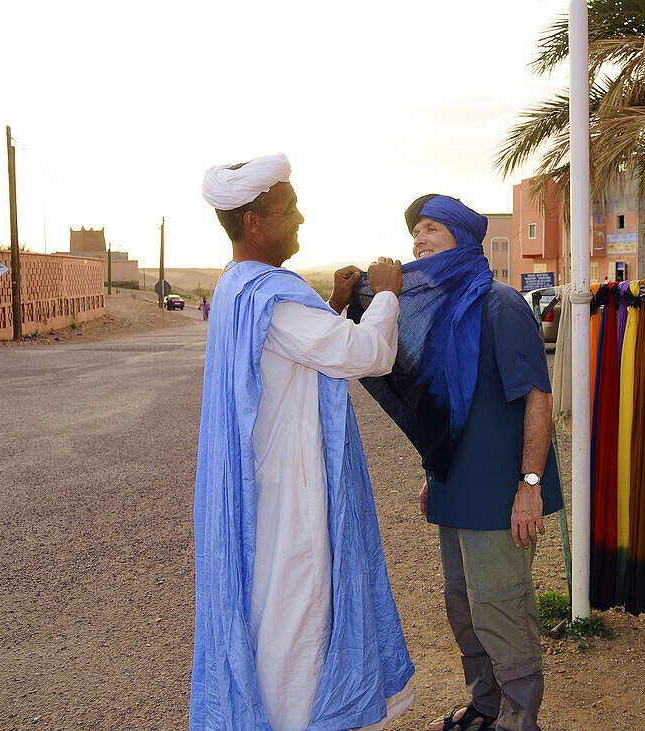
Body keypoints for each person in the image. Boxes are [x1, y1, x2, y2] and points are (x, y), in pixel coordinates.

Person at [191, 153, 414, 731]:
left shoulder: (239, 289)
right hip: (293, 494)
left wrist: (333, 307)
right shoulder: (276, 296)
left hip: (261, 486)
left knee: (267, 609)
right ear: (255, 222)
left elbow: (288, 357)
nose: (301, 218)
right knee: (298, 618)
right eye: (289, 209)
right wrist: (387, 294)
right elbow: (367, 354)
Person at [352, 195, 562, 731]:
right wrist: (433, 472)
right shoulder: (443, 315)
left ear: (463, 240)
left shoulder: (500, 304)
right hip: (455, 490)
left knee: (501, 607)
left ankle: (520, 719)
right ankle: (486, 707)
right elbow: (441, 410)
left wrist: (530, 484)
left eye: (430, 230)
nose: (418, 242)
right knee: (463, 607)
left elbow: (539, 395)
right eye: (415, 234)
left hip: (500, 495)